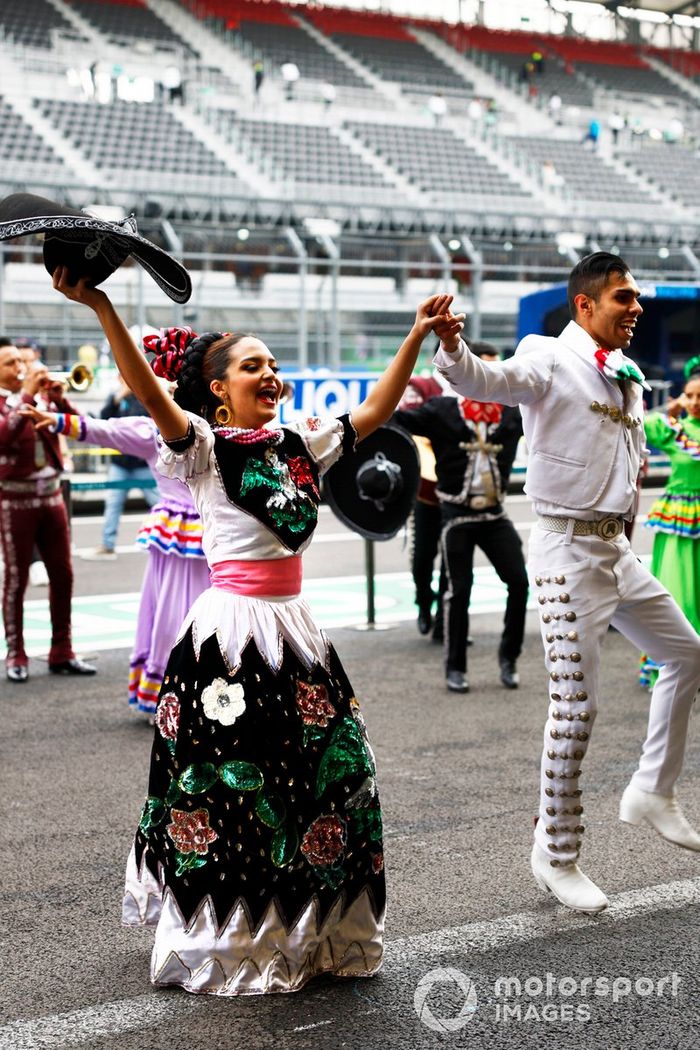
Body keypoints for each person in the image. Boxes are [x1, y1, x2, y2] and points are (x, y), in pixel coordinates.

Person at [51, 267, 461, 996]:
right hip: (229, 641)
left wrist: (417, 336)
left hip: (297, 633)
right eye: (252, 366)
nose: (270, 374)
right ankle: (234, 934)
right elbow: (148, 391)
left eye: (273, 365)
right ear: (218, 388)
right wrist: (102, 305)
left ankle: (317, 929)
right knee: (235, 795)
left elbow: (377, 407)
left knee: (334, 777)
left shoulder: (302, 443)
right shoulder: (202, 449)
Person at [431, 252, 700, 914]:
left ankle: (652, 790)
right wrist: (452, 345)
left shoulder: (626, 377)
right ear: (586, 305)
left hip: (616, 551)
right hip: (565, 551)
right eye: (624, 298)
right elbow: (487, 379)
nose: (636, 308)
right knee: (577, 709)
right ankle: (555, 855)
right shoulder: (547, 355)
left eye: (636, 298)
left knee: (688, 654)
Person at [20, 400, 210, 718]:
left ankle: (215, 695)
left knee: (217, 617)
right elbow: (105, 430)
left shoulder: (224, 432)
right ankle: (173, 699)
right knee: (173, 617)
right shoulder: (154, 433)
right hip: (180, 540)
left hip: (219, 538)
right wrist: (56, 420)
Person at [394, 342, 527, 693]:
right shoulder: (442, 410)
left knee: (520, 583)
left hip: (495, 515)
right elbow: (392, 418)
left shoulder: (514, 413)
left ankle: (509, 657)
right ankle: (455, 667)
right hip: (456, 516)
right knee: (458, 590)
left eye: (498, 369)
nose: (494, 377)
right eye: (485, 369)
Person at [0, 339, 96, 682]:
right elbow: (4, 437)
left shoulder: (41, 399)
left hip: (53, 495)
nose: (20, 368)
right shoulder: (11, 401)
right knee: (16, 579)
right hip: (14, 499)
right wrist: (25, 395)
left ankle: (62, 651)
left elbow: (80, 426)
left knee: (63, 574)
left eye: (21, 362)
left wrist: (58, 398)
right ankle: (16, 652)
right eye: (11, 363)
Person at [639, 357, 700, 687]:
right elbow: (640, 423)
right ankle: (675, 665)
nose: (694, 403)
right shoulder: (673, 429)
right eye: (689, 396)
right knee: (678, 593)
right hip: (679, 519)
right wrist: (672, 409)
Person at [85, 377, 159, 560]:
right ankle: (107, 544)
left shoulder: (146, 397)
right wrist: (117, 398)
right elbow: (103, 421)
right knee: (113, 504)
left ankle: (165, 541)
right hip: (120, 464)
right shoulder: (116, 398)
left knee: (161, 503)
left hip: (143, 463)